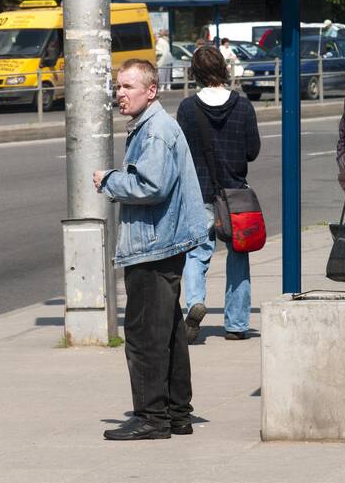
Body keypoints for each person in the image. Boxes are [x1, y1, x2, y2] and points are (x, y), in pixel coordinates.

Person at [94, 59, 210, 441]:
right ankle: (177, 413)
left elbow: (152, 187)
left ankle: (151, 418)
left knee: (145, 335)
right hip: (162, 243)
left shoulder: (156, 131)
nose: (120, 94)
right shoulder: (153, 127)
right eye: (118, 87)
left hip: (153, 246)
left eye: (128, 87)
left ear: (151, 90)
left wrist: (110, 180)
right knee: (170, 333)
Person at [177, 45, 261, 343]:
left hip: (199, 192)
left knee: (197, 254)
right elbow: (253, 151)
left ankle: (196, 302)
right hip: (235, 195)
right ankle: (237, 324)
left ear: (195, 74)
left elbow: (181, 154)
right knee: (238, 255)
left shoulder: (187, 109)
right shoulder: (243, 106)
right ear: (224, 69)